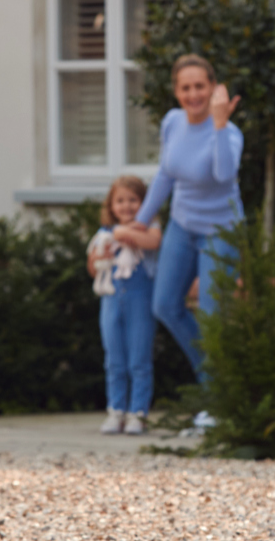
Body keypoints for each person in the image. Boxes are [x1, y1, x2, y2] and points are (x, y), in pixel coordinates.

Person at [129, 54, 242, 433]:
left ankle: (218, 400)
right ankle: (214, 387)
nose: (193, 94)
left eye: (200, 86)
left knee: (210, 313)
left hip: (220, 229)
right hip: (182, 225)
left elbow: (224, 174)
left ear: (213, 89)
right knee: (164, 305)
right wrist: (138, 223)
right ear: (177, 92)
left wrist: (220, 124)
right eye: (185, 87)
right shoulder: (173, 123)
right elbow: (165, 174)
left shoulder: (229, 133)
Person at [86, 175, 162, 435]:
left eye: (133, 200)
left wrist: (125, 233)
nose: (126, 206)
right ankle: (116, 410)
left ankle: (137, 413)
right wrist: (100, 258)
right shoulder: (104, 235)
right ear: (111, 206)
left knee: (139, 359)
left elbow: (153, 242)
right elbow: (93, 268)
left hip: (140, 301)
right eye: (120, 201)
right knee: (114, 359)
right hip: (111, 302)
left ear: (145, 203)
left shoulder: (149, 229)